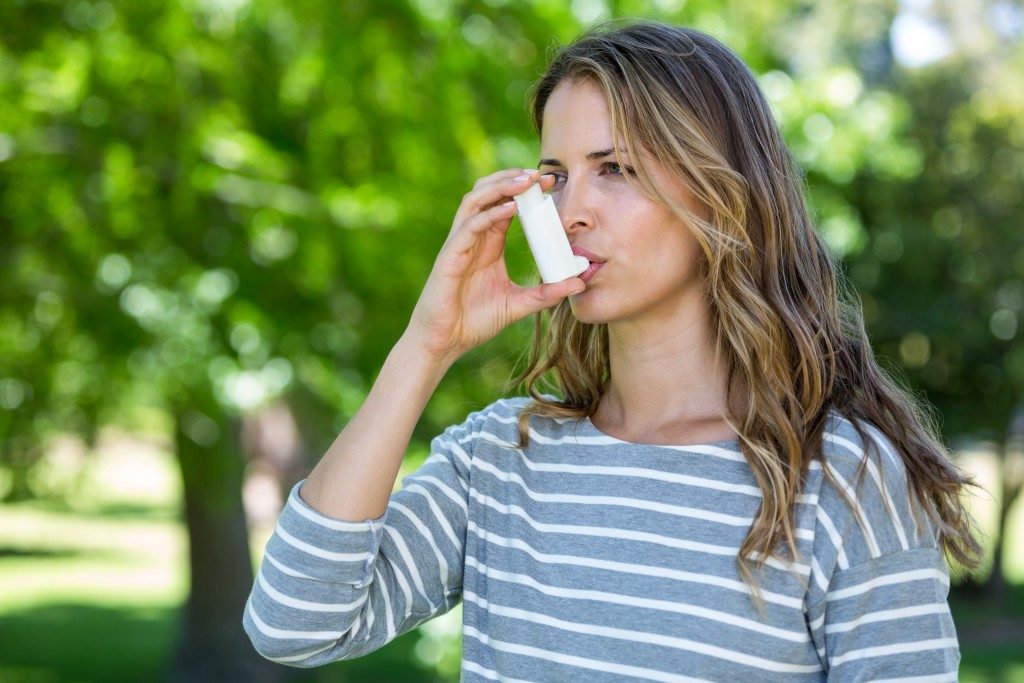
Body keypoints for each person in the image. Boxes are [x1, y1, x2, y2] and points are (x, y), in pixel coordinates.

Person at [243, 18, 982, 681]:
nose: (569, 212)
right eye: (555, 176)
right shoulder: (501, 457)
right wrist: (424, 345)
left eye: (615, 169)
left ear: (724, 194)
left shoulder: (839, 479)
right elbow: (293, 624)